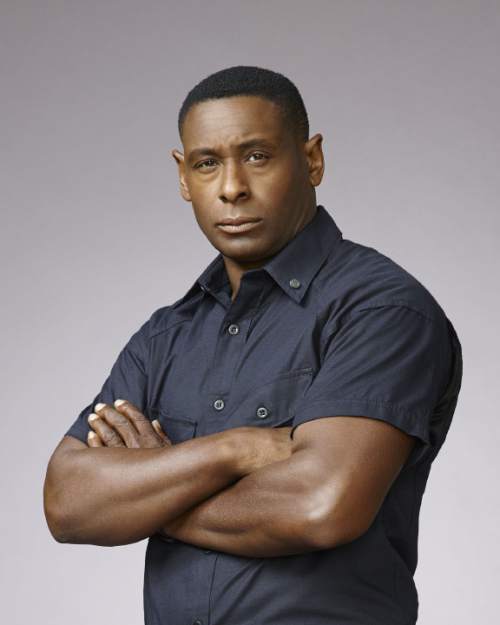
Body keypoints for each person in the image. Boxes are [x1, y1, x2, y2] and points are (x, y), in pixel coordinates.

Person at [44, 65, 463, 625]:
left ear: (312, 160)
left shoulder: (380, 311)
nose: (232, 187)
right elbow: (68, 503)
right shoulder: (165, 337)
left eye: (257, 156)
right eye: (207, 163)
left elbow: (320, 505)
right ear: (183, 176)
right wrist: (234, 450)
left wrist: (151, 495)